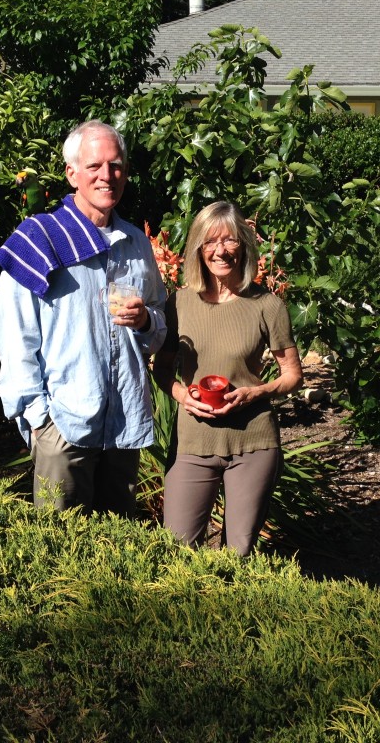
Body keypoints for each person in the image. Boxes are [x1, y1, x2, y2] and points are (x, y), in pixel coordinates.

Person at [0, 120, 167, 517]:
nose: (108, 176)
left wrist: (144, 322)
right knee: (60, 555)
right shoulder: (39, 239)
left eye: (117, 166)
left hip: (123, 426)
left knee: (117, 551)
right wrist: (39, 420)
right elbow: (15, 337)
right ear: (72, 173)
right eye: (95, 166)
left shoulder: (136, 244)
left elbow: (159, 322)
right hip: (65, 426)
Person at [151, 201, 303, 555]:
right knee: (177, 549)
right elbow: (161, 369)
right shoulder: (179, 304)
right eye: (209, 242)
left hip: (253, 441)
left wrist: (254, 393)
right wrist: (180, 395)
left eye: (229, 241)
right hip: (194, 442)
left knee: (239, 552)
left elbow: (292, 376)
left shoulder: (267, 305)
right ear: (198, 249)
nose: (220, 251)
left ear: (244, 245)